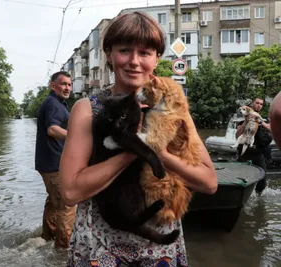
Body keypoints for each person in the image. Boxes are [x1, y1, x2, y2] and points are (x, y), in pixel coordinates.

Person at [59, 12, 218, 266]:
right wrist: (133, 149)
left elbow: (209, 183)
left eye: (144, 53)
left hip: (160, 246)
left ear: (156, 59)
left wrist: (160, 154)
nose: (134, 61)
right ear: (109, 54)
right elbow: (69, 191)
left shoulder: (174, 107)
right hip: (103, 247)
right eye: (124, 50)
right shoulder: (89, 109)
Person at [35, 71, 76, 249]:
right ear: (53, 86)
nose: (67, 87)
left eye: (69, 84)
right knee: (67, 206)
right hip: (54, 164)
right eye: (63, 84)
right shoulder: (53, 104)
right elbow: (52, 129)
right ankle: (63, 251)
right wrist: (77, 137)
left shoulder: (58, 103)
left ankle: (47, 238)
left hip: (50, 163)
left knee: (54, 203)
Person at [236, 97, 273, 194]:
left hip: (259, 152)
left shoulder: (264, 117)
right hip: (245, 152)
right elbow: (237, 135)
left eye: (261, 104)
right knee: (242, 178)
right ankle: (242, 196)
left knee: (262, 180)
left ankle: (258, 197)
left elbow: (271, 129)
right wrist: (246, 122)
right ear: (252, 103)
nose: (259, 105)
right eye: (257, 103)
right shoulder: (243, 115)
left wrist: (260, 121)